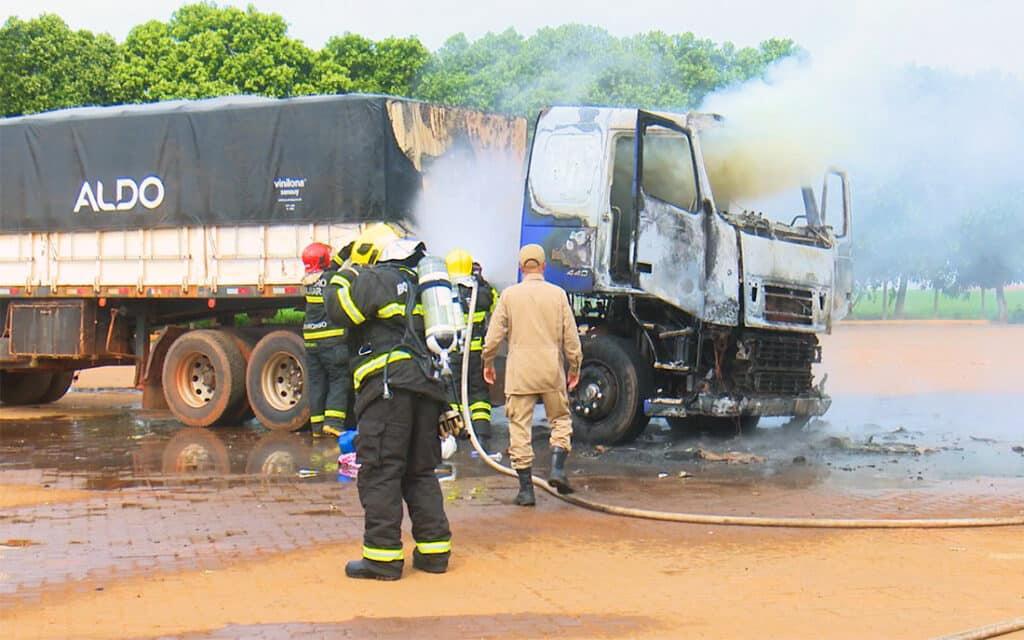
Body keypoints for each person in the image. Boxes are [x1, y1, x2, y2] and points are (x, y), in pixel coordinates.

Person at [325, 223, 452, 581]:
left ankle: (382, 558)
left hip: (387, 389)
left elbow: (340, 310)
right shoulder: (424, 288)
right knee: (420, 471)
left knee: (381, 470)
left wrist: (342, 273)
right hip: (425, 390)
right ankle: (434, 553)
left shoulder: (379, 278)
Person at [482, 244, 583, 506]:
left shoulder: (509, 296)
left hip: (520, 373)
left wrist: (488, 362)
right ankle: (558, 468)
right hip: (550, 370)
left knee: (519, 428)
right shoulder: (558, 295)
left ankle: (526, 490)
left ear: (520, 268)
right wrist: (575, 367)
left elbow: (493, 337)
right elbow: (571, 339)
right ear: (543, 267)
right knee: (560, 419)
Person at [445, 248, 499, 449]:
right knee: (478, 393)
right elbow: (497, 306)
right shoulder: (483, 292)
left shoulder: (444, 292)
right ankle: (482, 432)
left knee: (451, 393)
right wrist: (481, 280)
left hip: (451, 352)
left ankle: (455, 433)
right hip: (476, 353)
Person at [300, 242, 349, 438]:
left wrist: (342, 253)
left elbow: (329, 268)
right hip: (331, 339)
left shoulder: (307, 281)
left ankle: (317, 427)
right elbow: (338, 273)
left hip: (311, 340)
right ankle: (334, 423)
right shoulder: (332, 278)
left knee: (317, 383)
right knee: (339, 379)